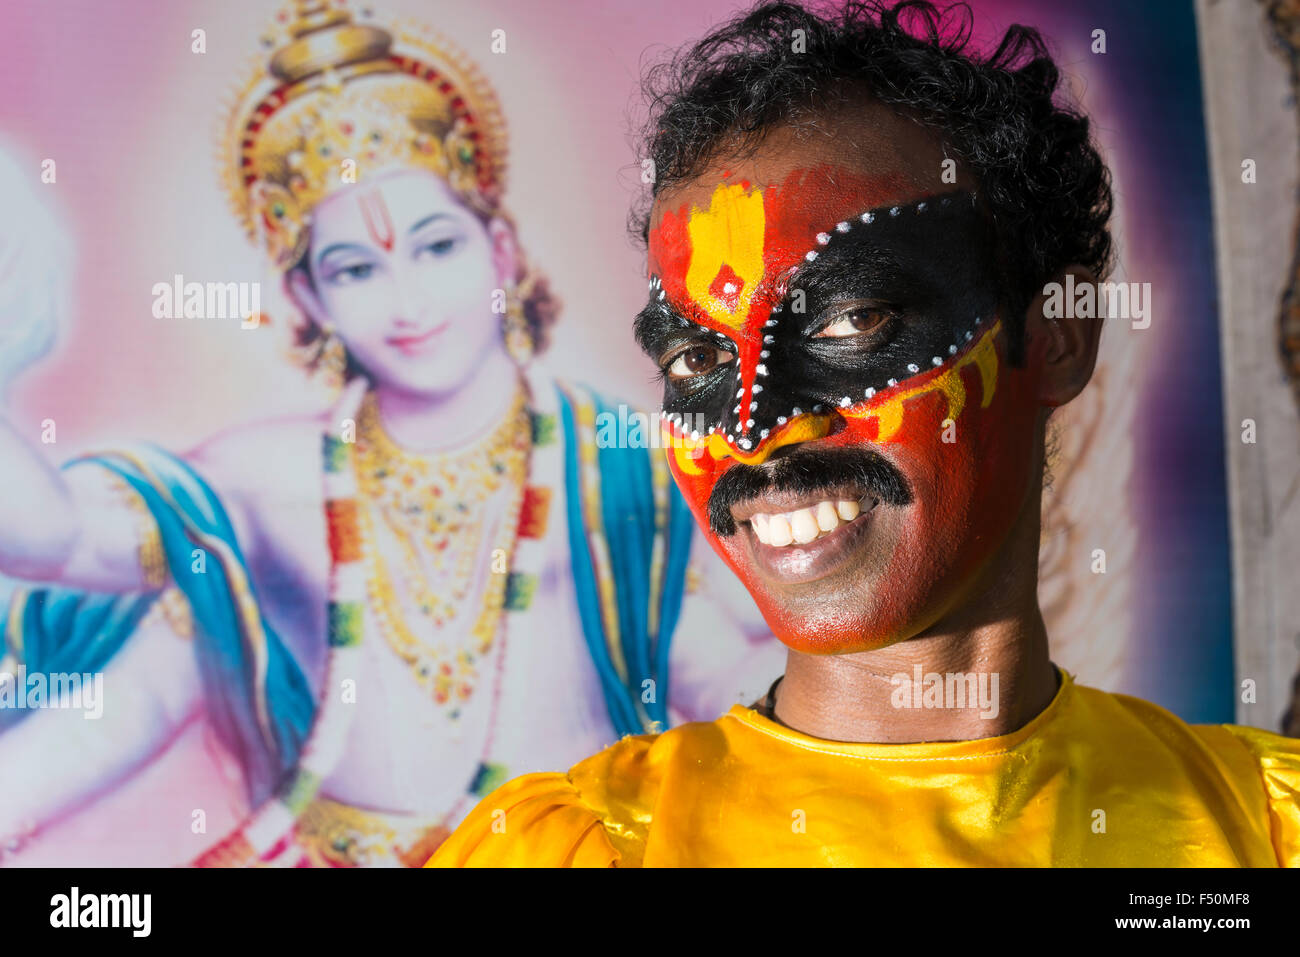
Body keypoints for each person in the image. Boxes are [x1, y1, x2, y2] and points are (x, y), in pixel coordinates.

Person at [428, 0, 1300, 867]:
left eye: (853, 322)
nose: (756, 431)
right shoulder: (589, 848)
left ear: (1057, 337)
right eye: (697, 360)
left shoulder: (1258, 824)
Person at [0, 3, 780, 867]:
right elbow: (54, 534)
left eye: (436, 247)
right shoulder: (266, 482)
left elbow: (715, 679)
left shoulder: (617, 463)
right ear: (308, 300)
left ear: (500, 251)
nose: (407, 298)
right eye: (356, 268)